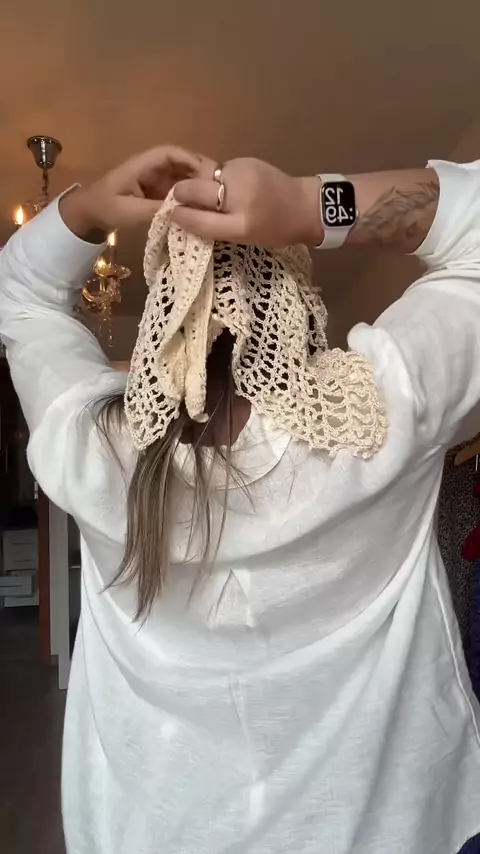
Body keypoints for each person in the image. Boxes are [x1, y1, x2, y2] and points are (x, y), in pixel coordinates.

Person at [1, 143, 480, 854]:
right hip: (387, 829)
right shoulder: (381, 410)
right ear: (295, 295)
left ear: (162, 313)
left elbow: (18, 294)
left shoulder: (93, 448)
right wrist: (309, 205)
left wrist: (92, 207)